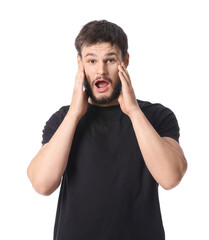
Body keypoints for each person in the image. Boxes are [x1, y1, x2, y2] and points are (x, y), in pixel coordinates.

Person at [27, 20, 187, 240]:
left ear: (125, 61)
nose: (100, 70)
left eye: (110, 60)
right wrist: (74, 114)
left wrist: (133, 111)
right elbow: (42, 184)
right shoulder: (63, 119)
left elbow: (171, 178)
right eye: (91, 61)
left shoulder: (156, 116)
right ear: (80, 64)